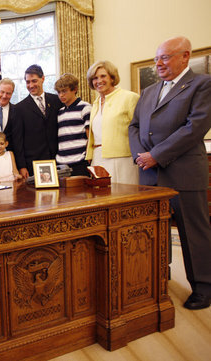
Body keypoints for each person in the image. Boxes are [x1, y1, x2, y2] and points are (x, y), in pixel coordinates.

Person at [129, 36, 211, 310]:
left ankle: (203, 286)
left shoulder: (202, 85)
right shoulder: (150, 91)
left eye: (165, 57)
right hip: (150, 176)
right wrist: (141, 156)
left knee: (193, 232)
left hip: (184, 173)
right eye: (156, 59)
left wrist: (156, 155)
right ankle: (159, 278)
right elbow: (135, 126)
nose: (159, 64)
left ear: (185, 56)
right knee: (155, 232)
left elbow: (194, 127)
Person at [85, 60, 139, 184]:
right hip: (98, 159)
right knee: (102, 198)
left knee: (124, 197)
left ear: (112, 77)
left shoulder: (129, 97)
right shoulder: (95, 103)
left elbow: (139, 130)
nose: (99, 81)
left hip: (122, 159)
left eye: (103, 76)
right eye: (94, 78)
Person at [13, 64, 63, 178]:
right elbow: (18, 140)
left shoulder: (57, 100)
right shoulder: (19, 108)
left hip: (58, 160)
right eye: (27, 82)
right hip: (34, 164)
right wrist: (22, 166)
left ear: (43, 79)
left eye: (34, 81)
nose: (31, 85)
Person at [54, 73, 92, 176]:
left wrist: (88, 157)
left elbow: (90, 137)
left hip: (79, 162)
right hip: (62, 163)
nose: (61, 95)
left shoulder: (85, 108)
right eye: (59, 92)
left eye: (64, 91)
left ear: (74, 89)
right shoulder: (60, 112)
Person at [0, 78, 17, 152]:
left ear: (12, 94)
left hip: (10, 155)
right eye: (2, 92)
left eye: (8, 93)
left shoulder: (17, 111)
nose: (4, 96)